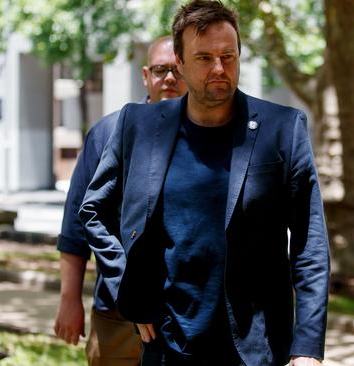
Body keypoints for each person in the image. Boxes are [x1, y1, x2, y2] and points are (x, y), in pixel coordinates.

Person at [79, 1, 330, 365]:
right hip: (167, 344)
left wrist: (306, 346)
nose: (219, 68)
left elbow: (310, 245)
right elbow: (94, 211)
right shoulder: (139, 125)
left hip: (256, 347)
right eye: (204, 58)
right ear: (180, 63)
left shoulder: (283, 128)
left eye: (228, 56)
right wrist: (128, 291)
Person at [54, 35, 188, 365]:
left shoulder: (209, 134)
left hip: (187, 312)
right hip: (117, 312)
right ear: (145, 75)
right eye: (160, 70)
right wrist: (70, 299)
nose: (169, 78)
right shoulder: (108, 132)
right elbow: (77, 222)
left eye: (177, 69)